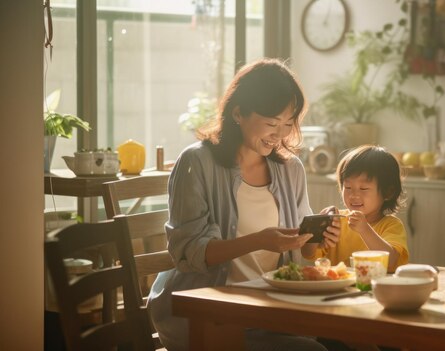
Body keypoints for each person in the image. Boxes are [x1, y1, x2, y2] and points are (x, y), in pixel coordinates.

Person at [148, 58, 327, 351]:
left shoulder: (290, 168)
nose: (280, 134)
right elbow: (188, 253)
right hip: (204, 316)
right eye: (271, 123)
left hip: (269, 312)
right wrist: (258, 241)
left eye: (287, 123)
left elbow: (304, 250)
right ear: (238, 113)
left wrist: (318, 237)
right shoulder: (196, 163)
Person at [302, 145, 409, 273]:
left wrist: (364, 229)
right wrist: (316, 228)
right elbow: (307, 254)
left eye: (363, 188)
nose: (354, 195)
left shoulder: (391, 225)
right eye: (347, 187)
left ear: (388, 192)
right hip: (337, 289)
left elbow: (391, 260)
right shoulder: (337, 222)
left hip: (372, 290)